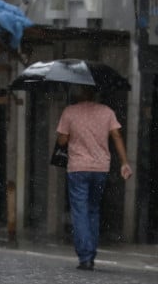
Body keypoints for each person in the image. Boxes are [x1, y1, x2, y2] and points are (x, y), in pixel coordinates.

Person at [56, 85, 132, 271]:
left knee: (79, 211)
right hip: (100, 169)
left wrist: (67, 134)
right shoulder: (107, 112)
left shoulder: (70, 112)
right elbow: (116, 136)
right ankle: (91, 252)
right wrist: (124, 162)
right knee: (93, 210)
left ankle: (85, 256)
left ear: (80, 92)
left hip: (78, 169)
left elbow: (62, 140)